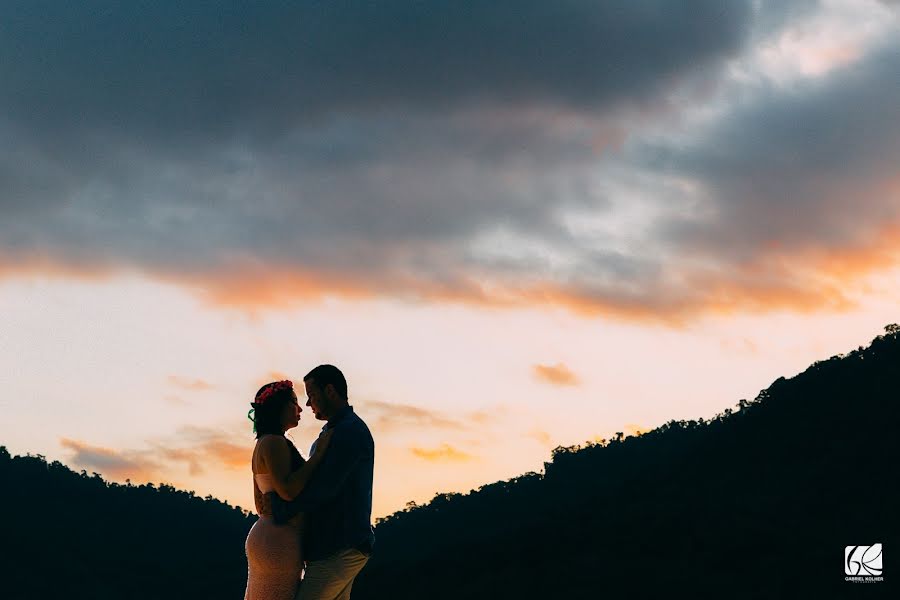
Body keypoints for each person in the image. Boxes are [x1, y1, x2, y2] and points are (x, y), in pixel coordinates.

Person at [270, 364, 375, 600]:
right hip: (336, 545)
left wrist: (281, 508)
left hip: (339, 546)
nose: (308, 404)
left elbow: (323, 488)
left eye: (312, 396)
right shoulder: (335, 431)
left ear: (330, 391)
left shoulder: (349, 431)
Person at [244, 380, 334, 600]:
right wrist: (319, 455)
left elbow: (260, 502)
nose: (300, 408)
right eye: (294, 402)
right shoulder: (274, 442)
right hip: (279, 541)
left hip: (267, 534)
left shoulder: (263, 443)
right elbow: (288, 491)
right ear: (279, 407)